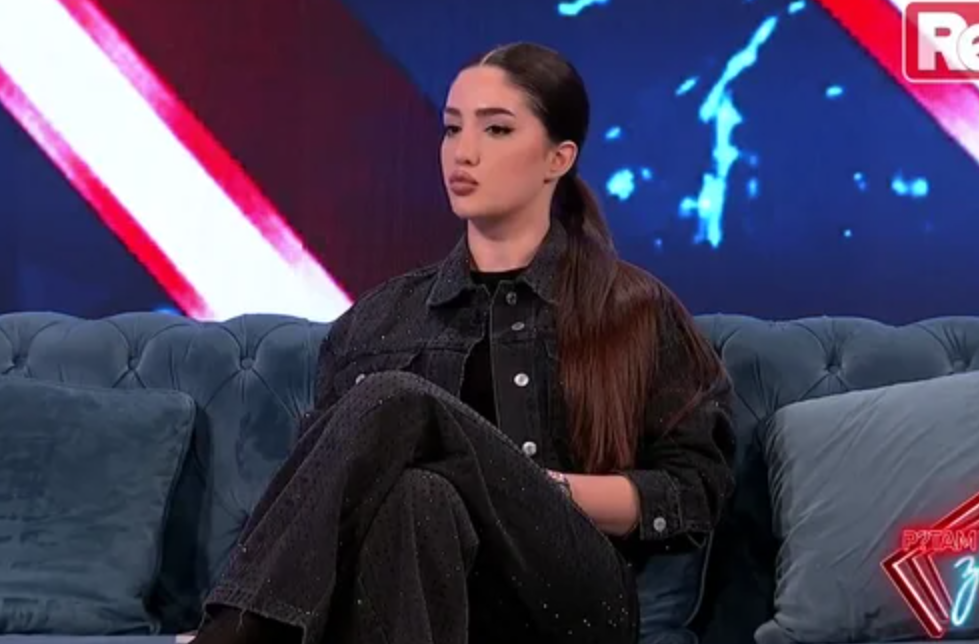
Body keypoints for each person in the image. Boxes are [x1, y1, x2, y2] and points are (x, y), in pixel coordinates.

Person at [191, 42, 736, 644]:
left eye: (496, 129)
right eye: (452, 129)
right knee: (419, 497)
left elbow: (694, 492)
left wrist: (529, 489)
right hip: (412, 591)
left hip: (572, 601)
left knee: (399, 398)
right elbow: (326, 493)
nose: (464, 152)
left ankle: (235, 633)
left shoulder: (633, 308)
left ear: (558, 158)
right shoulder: (381, 318)